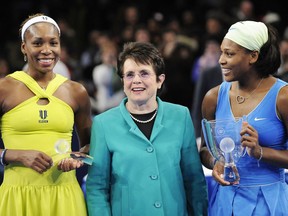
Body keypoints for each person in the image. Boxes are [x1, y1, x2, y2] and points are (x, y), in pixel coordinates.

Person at [86, 42, 208, 216]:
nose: (136, 80)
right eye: (129, 75)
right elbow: (96, 188)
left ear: (160, 80)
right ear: (122, 82)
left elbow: (194, 180)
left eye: (144, 73)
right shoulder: (103, 124)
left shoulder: (180, 116)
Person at [0, 13, 92, 215]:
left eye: (53, 43)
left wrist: (77, 158)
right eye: (38, 43)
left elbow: (89, 148)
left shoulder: (77, 92)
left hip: (65, 197)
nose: (47, 50)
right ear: (24, 47)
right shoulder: (4, 89)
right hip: (17, 199)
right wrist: (14, 155)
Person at [200, 20, 288, 215]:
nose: (221, 60)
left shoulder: (283, 97)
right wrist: (216, 162)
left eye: (229, 54)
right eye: (222, 52)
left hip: (270, 203)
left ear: (253, 56)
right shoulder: (212, 98)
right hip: (225, 202)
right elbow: (205, 149)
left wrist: (260, 152)